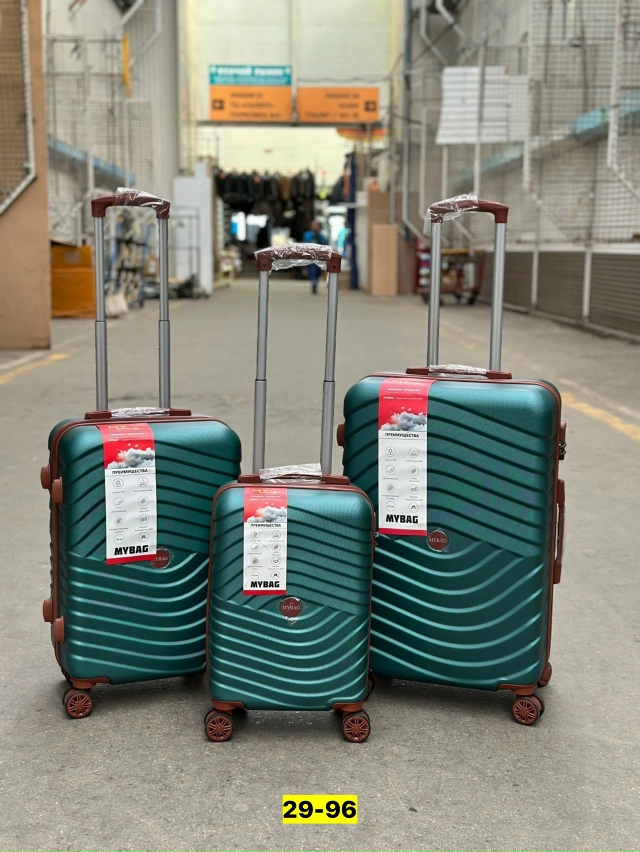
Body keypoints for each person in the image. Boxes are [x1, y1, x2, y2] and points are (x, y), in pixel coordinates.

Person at [302, 219, 328, 294]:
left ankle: (315, 281)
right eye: (314, 226)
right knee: (312, 270)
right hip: (310, 256)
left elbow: (324, 244)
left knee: (317, 271)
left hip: (319, 257)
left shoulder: (321, 235)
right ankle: (314, 282)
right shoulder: (307, 235)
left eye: (316, 226)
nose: (315, 227)